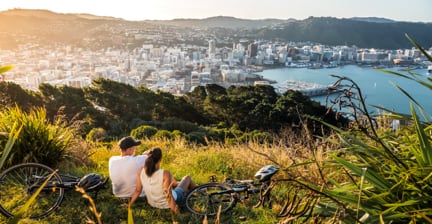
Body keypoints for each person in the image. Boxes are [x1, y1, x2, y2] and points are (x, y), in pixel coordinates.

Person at [129, 147, 197, 214]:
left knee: (177, 184)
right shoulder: (165, 173)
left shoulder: (141, 170)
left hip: (153, 203)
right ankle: (201, 191)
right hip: (167, 203)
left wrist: (130, 204)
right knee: (187, 178)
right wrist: (177, 212)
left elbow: (138, 190)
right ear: (160, 159)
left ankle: (195, 191)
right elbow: (168, 195)